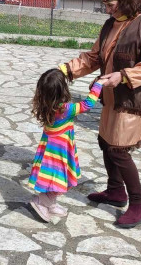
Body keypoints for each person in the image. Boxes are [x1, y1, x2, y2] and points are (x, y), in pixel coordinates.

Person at [60, 0, 141, 229]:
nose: (107, 10)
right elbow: (94, 57)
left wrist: (124, 75)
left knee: (118, 150)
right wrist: (65, 70)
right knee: (106, 143)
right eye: (105, 5)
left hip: (132, 100)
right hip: (110, 97)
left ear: (125, 1)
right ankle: (116, 191)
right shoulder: (110, 24)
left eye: (110, 5)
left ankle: (139, 204)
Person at [28, 69, 103, 222]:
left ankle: (50, 203)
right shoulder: (66, 110)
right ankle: (42, 201)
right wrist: (99, 84)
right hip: (59, 151)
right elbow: (88, 104)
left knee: (52, 177)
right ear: (63, 89)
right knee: (58, 178)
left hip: (49, 148)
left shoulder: (45, 105)